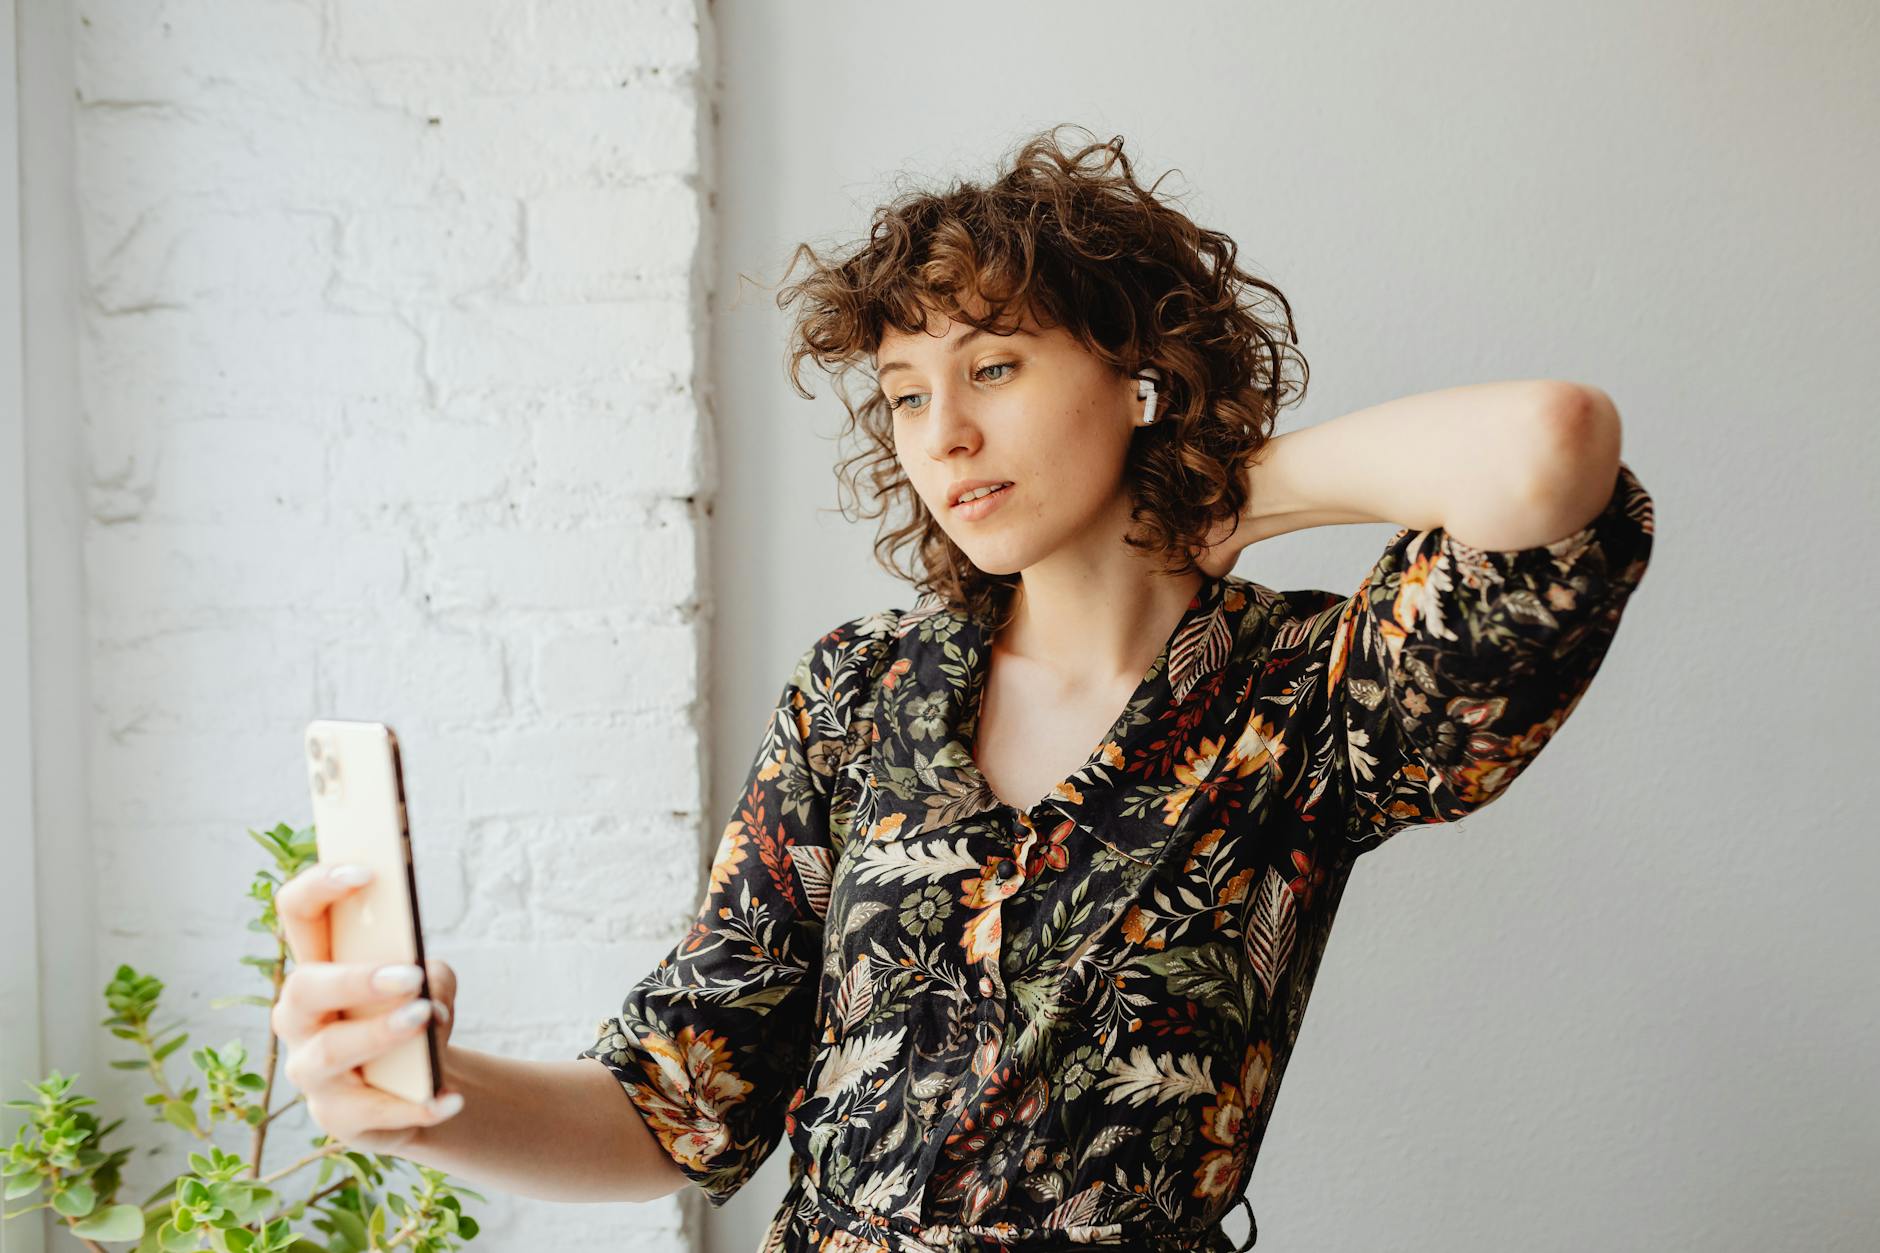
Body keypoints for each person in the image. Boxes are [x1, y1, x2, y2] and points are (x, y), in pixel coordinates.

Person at [271, 126, 1655, 1251]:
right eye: (906, 395)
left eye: (992, 367)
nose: (948, 435)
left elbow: (1552, 448)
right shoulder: (861, 692)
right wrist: (423, 1100)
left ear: (1139, 374)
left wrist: (1227, 492)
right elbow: (679, 1111)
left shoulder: (1305, 696)